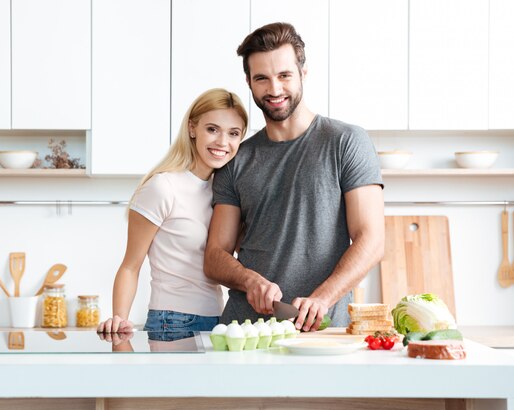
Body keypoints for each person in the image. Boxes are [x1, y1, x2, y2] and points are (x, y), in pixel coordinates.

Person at [204, 22, 385, 332]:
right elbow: (215, 256)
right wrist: (249, 280)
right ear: (249, 83)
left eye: (284, 75)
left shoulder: (346, 141)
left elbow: (372, 239)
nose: (274, 90)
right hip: (246, 334)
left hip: (323, 332)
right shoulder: (236, 159)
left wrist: (322, 299)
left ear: (303, 73)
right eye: (262, 78)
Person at [97, 88, 248, 335]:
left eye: (233, 133)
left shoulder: (225, 196)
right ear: (192, 129)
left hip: (220, 321)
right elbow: (130, 266)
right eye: (212, 129)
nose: (223, 142)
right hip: (172, 321)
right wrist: (118, 320)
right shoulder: (163, 187)